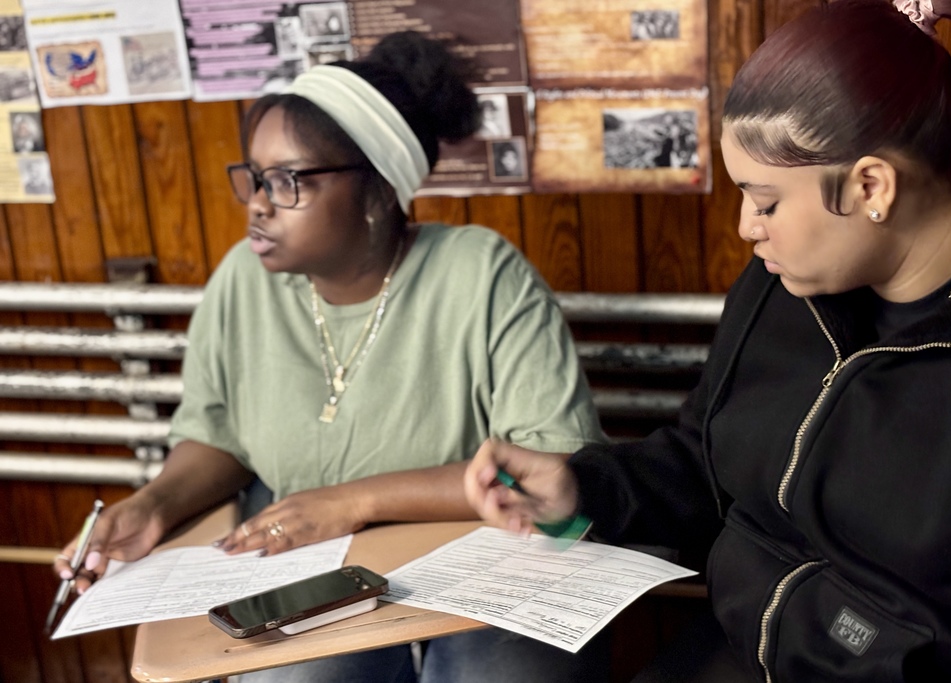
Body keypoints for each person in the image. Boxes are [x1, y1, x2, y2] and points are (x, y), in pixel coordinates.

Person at [466, 0, 951, 681]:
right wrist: (581, 487)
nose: (745, 229)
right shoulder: (781, 284)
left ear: (871, 185)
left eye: (765, 203)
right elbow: (707, 462)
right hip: (738, 652)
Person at [55, 30, 608, 682]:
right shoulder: (241, 280)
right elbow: (219, 437)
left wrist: (351, 500)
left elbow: (556, 467)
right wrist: (154, 504)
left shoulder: (483, 274)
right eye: (255, 178)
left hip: (489, 555)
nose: (258, 203)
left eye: (289, 180)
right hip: (314, 565)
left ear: (376, 191)